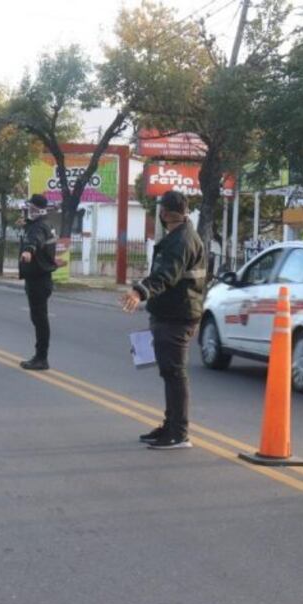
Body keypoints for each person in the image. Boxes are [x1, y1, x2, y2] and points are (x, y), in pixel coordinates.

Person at [120, 190, 205, 450]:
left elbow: (166, 275)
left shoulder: (182, 240)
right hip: (169, 312)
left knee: (175, 373)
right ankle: (170, 425)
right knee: (169, 373)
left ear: (165, 213)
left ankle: (179, 433)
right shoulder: (178, 236)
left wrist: (140, 291)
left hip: (178, 315)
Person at [18, 194, 58, 371]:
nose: (29, 210)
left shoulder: (39, 227)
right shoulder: (44, 224)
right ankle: (41, 356)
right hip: (41, 278)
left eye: (31, 208)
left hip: (38, 279)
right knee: (39, 318)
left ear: (38, 209)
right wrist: (26, 224)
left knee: (40, 319)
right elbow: (37, 234)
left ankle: (41, 358)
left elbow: (35, 240)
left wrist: (28, 251)